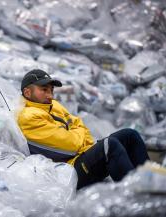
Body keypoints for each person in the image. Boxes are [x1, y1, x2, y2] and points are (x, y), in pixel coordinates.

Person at [17, 69, 150, 189]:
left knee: (129, 135)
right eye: (44, 90)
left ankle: (152, 185)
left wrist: (76, 136)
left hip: (80, 156)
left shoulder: (53, 105)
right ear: (27, 92)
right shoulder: (28, 117)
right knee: (110, 146)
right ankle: (137, 196)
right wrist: (78, 136)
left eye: (51, 90)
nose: (50, 95)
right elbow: (71, 146)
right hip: (67, 171)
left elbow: (80, 124)